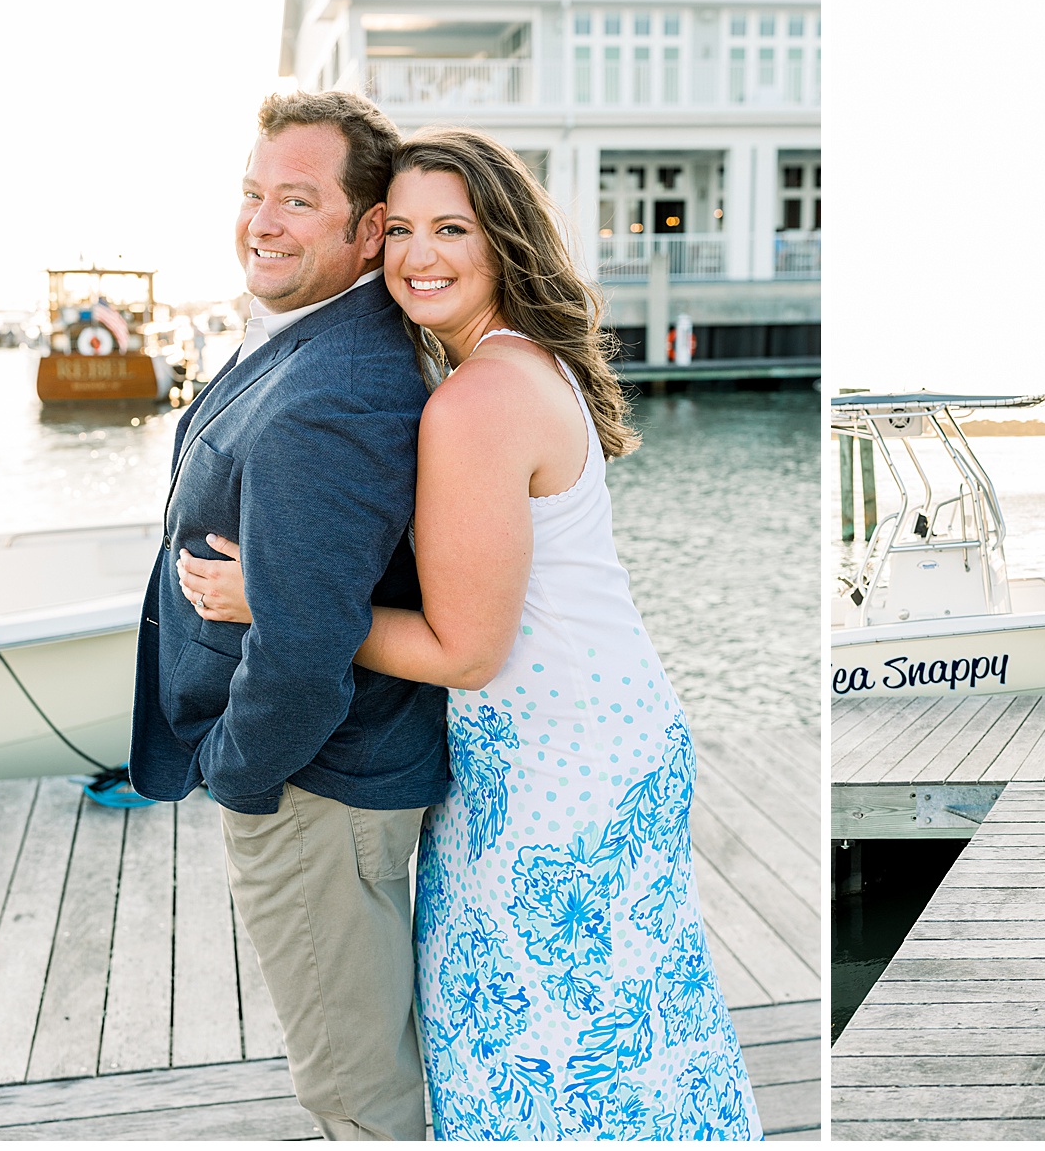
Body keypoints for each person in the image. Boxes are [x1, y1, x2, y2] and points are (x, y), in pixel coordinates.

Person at [178, 125, 762, 1139]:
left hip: (557, 764)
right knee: (634, 1033)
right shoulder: (525, 362)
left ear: (503, 239)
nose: (418, 255)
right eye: (399, 228)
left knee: (538, 1052)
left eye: (451, 228)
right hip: (604, 730)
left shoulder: (476, 399)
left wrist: (278, 601)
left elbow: (465, 652)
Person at [129, 92, 445, 1139]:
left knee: (357, 1093)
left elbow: (307, 649)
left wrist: (238, 767)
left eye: (297, 201)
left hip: (313, 789)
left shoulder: (336, 389)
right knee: (358, 1067)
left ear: (366, 231)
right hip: (323, 781)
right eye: (255, 193)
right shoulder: (309, 337)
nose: (261, 220)